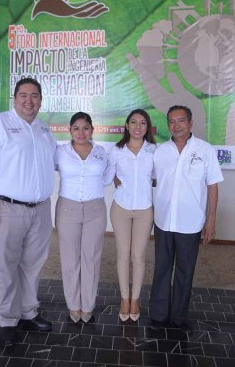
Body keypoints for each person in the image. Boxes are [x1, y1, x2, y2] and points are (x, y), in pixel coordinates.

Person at [0, 77, 57, 347]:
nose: (29, 100)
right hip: (5, 209)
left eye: (34, 95)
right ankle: (7, 319)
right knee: (5, 266)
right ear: (15, 98)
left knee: (32, 265)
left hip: (40, 210)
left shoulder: (45, 129)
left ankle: (28, 312)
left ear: (41, 100)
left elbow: (59, 161)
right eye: (23, 95)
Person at [149, 105, 223, 332]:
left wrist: (210, 220)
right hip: (163, 221)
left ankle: (179, 317)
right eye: (172, 121)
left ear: (190, 123)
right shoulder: (159, 151)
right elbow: (148, 178)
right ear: (167, 125)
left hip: (190, 224)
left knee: (185, 271)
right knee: (161, 269)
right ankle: (159, 315)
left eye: (181, 120)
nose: (176, 125)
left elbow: (212, 186)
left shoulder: (205, 150)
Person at [103, 109, 156, 322]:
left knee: (139, 256)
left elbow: (160, 176)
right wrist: (113, 174)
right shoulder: (117, 150)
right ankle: (124, 298)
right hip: (121, 208)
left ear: (147, 127)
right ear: (126, 125)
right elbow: (106, 178)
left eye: (142, 123)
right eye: (133, 122)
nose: (137, 126)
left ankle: (136, 299)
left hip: (145, 209)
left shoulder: (154, 150)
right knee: (123, 255)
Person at [55, 112, 107, 324]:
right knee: (70, 258)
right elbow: (34, 159)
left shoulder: (102, 152)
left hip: (96, 210)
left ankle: (88, 305)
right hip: (67, 209)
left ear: (92, 130)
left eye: (86, 128)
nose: (81, 132)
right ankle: (73, 305)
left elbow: (112, 174)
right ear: (70, 130)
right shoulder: (59, 152)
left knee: (91, 258)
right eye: (76, 128)